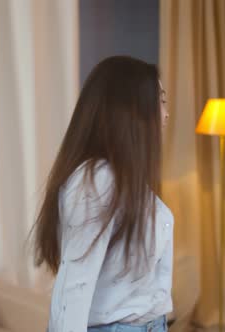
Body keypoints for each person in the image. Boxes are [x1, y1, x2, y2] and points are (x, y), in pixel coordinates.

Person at [32, 56, 172, 332]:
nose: (167, 113)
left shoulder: (123, 179)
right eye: (161, 100)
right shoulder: (97, 181)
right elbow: (75, 285)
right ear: (130, 110)